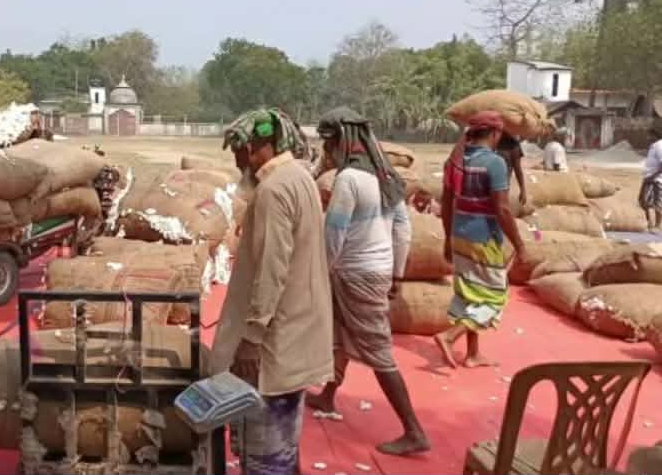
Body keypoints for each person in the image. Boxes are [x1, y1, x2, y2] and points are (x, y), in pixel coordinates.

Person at [211, 109, 333, 475]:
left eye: (236, 151)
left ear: (252, 147)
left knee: (264, 456)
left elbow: (271, 270)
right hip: (297, 334)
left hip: (272, 346)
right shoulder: (300, 178)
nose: (235, 160)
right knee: (284, 446)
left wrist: (251, 337)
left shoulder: (273, 191)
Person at [305, 110, 430, 456]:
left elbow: (335, 232)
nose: (326, 151)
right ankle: (329, 394)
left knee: (378, 351)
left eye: (327, 142)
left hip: (354, 272)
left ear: (339, 141)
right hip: (378, 269)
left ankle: (414, 430)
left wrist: (321, 270)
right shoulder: (385, 177)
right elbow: (403, 229)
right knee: (341, 332)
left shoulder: (349, 180)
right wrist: (397, 273)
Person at [434, 111, 527, 369]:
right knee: (495, 296)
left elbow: (446, 204)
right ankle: (449, 337)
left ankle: (473, 354)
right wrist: (520, 245)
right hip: (484, 240)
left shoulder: (454, 162)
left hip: (460, 235)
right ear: (495, 134)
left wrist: (447, 237)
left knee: (470, 293)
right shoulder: (494, 164)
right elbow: (502, 209)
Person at [639, 120, 662, 230]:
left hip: (656, 180)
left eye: (649, 135)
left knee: (657, 203)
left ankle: (657, 225)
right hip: (648, 178)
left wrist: (653, 176)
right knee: (643, 201)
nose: (647, 137)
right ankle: (649, 222)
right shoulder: (653, 146)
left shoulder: (659, 146)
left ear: (654, 135)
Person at [496, 132, 528, 206]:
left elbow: (518, 170)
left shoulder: (514, 145)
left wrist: (522, 190)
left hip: (502, 188)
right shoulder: (491, 141)